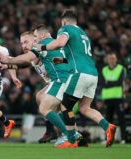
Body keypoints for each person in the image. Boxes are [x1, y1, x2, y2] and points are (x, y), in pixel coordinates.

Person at [35, 9, 116, 148]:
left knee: (65, 105)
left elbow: (59, 43)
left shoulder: (65, 28)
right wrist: (60, 61)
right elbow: (77, 56)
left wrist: (41, 46)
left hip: (79, 74)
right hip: (92, 74)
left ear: (64, 21)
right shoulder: (83, 34)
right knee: (85, 108)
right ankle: (108, 126)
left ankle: (71, 140)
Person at [0, 25, 76, 148]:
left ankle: (69, 136)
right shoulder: (36, 53)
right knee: (42, 99)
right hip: (58, 82)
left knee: (50, 106)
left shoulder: (39, 49)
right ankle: (57, 133)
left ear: (35, 40)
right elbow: (23, 64)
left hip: (63, 81)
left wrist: (7, 61)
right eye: (22, 43)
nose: (23, 46)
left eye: (26, 42)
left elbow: (24, 61)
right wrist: (8, 66)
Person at [101, 53, 127, 143]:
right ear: (107, 60)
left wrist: (108, 83)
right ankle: (108, 139)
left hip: (118, 97)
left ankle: (123, 139)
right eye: (110, 58)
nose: (111, 60)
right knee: (108, 120)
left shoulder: (121, 68)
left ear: (116, 59)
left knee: (121, 119)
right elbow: (102, 84)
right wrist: (112, 83)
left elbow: (119, 82)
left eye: (113, 58)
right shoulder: (104, 69)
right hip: (107, 98)